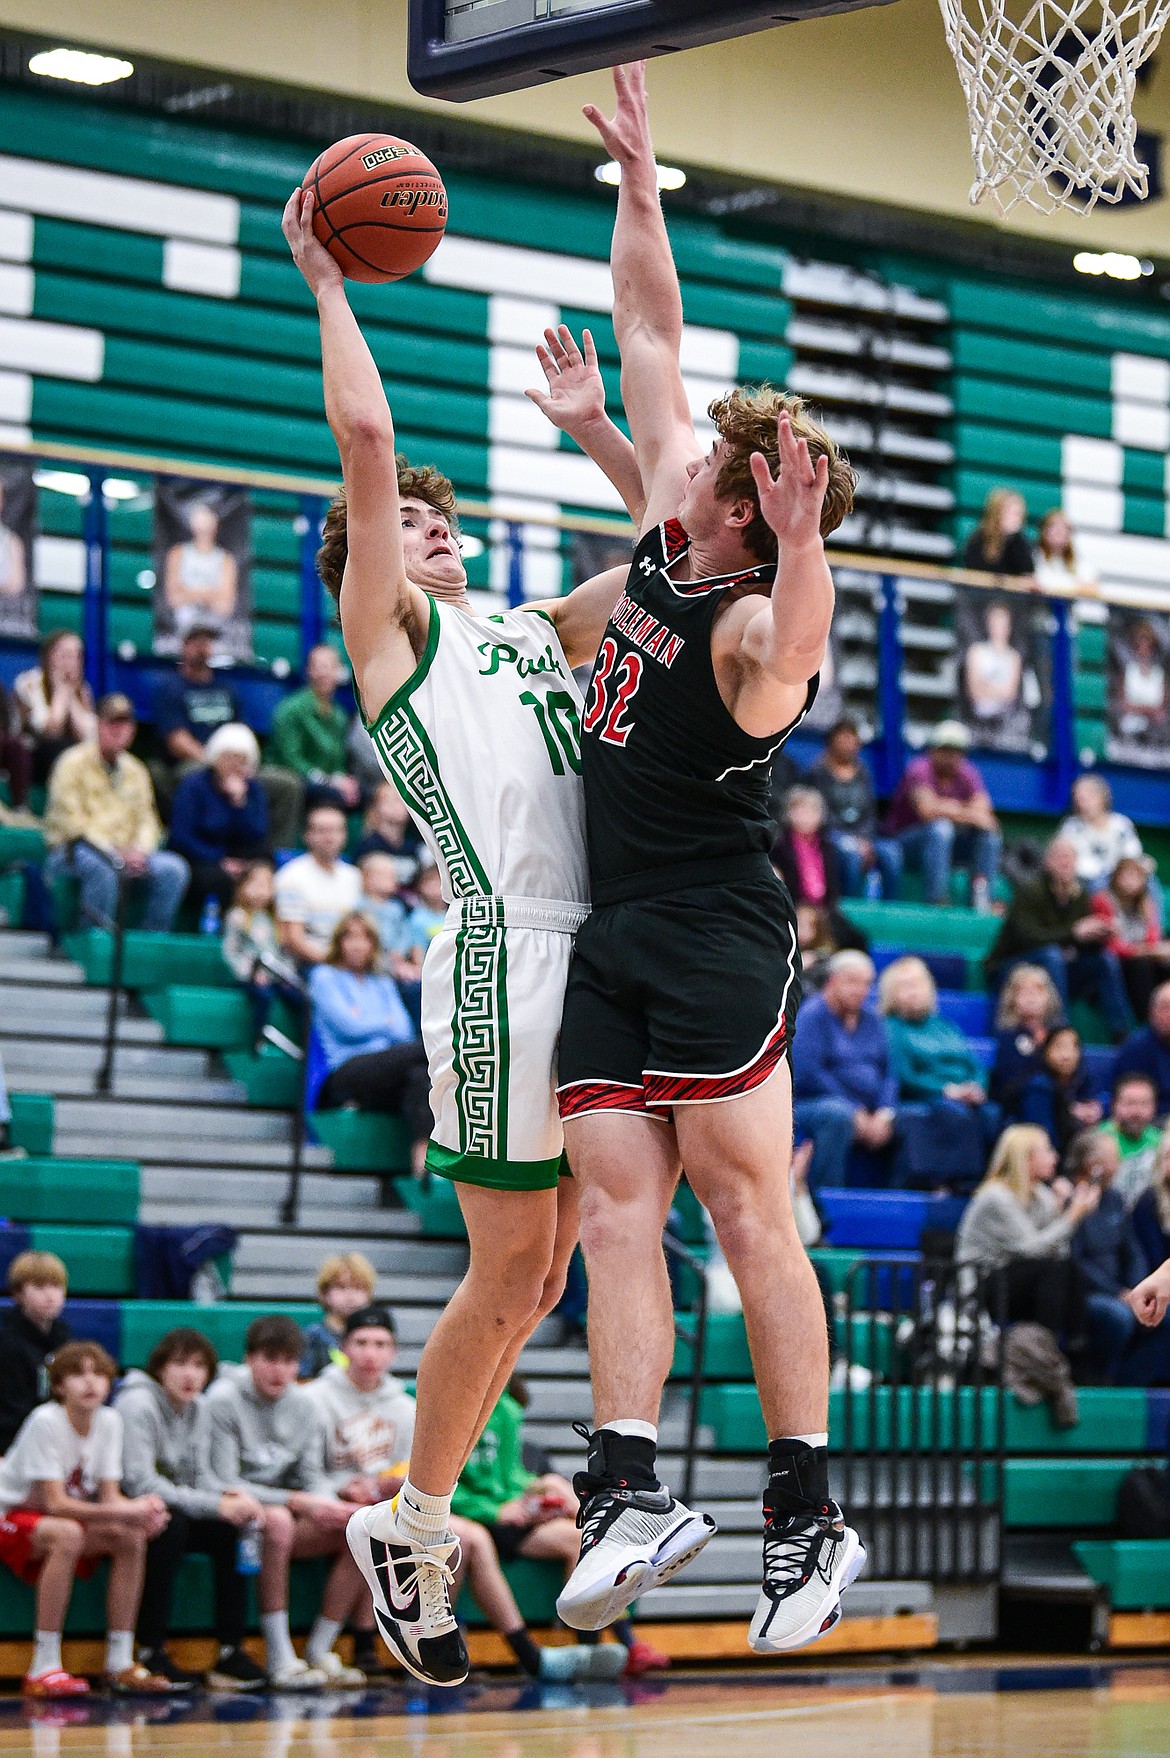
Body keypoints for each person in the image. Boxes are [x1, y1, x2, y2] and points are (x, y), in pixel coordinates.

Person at [283, 179, 656, 1688]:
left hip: (601, 940)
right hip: (508, 952)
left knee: (551, 1273)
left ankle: (421, 1510)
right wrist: (326, 276)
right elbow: (365, 446)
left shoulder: (522, 625)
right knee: (510, 1272)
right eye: (408, 528)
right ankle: (413, 1518)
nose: (429, 531)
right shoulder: (397, 639)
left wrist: (599, 433)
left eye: (440, 520)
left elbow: (674, 562)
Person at [551, 61, 862, 1658]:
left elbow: (790, 657)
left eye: (720, 471)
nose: (684, 456)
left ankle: (807, 1513)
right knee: (615, 1208)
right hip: (616, 924)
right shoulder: (671, 536)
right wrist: (643, 183)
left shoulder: (750, 615)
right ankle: (628, 1487)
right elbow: (651, 335)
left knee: (750, 1218)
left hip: (720, 925)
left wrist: (807, 550)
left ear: (752, 512)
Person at [0, 1341, 173, 1699]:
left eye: (98, 1373)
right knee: (68, 1534)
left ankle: (119, 1661)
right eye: (78, 1374)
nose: (90, 1383)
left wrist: (144, 1510)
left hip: (49, 1521)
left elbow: (110, 1497)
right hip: (9, 1515)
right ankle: (43, 1666)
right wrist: (129, 1510)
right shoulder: (46, 1420)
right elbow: (56, 1504)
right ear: (59, 1386)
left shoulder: (109, 1421)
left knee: (130, 1536)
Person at [205, 1315, 365, 1688]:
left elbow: (312, 1477)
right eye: (270, 1359)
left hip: (288, 1512)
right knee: (277, 1519)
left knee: (361, 1526)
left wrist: (330, 1504)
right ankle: (278, 1655)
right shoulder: (223, 1400)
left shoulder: (306, 1406)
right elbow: (225, 1481)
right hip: (236, 1515)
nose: (280, 1371)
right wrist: (299, 1501)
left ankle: (320, 1649)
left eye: (289, 1361)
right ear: (249, 1359)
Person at [115, 1328, 269, 1690]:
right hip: (128, 1510)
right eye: (180, 1364)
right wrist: (215, 1504)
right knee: (173, 1526)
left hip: (174, 1505)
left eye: (199, 1366)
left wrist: (234, 1496)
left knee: (230, 1529)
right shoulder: (136, 1404)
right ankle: (150, 1650)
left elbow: (201, 1478)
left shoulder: (199, 1407)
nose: (190, 1375)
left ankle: (230, 1651)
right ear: (160, 1368)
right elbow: (140, 1483)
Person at [43, 693, 190, 933]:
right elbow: (71, 823)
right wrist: (112, 852)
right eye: (112, 723)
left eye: (125, 724)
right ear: (98, 725)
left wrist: (141, 851)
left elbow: (148, 820)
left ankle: (147, 944)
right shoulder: (71, 763)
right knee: (102, 868)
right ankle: (91, 942)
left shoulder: (136, 770)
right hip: (73, 851)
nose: (119, 730)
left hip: (127, 853)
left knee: (173, 869)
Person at [152, 624, 301, 845]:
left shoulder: (227, 689)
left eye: (207, 642)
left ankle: (273, 855)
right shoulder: (172, 689)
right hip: (199, 764)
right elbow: (177, 741)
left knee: (288, 784)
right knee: (191, 775)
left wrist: (241, 767)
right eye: (196, 642)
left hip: (237, 765)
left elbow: (243, 734)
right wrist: (216, 764)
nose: (202, 648)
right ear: (184, 646)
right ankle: (201, 849)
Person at [309, 912, 432, 1177]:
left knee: (420, 1076)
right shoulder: (324, 976)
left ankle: (422, 1168)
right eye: (350, 938)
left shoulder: (382, 981)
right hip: (344, 1071)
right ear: (338, 942)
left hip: (388, 1068)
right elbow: (348, 1027)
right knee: (427, 1050)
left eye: (365, 938)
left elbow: (403, 1028)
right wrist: (384, 1022)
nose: (357, 945)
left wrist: (367, 1020)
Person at [955, 1124, 1097, 1350]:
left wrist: (1058, 1212)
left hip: (1020, 1280)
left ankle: (1074, 1346)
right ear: (1026, 1158)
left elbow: (1059, 1251)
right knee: (1052, 1270)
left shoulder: (1041, 1195)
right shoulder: (996, 1198)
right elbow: (1032, 1249)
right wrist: (1072, 1217)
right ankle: (1044, 1350)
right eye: (1048, 1150)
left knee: (1068, 1268)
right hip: (982, 1287)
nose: (1055, 1156)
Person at [988, 836, 1132, 1041]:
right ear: (1047, 862)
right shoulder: (1030, 890)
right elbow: (1027, 938)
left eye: (1070, 857)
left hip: (1058, 970)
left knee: (1104, 959)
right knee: (1052, 955)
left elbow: (1079, 943)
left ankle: (1121, 1032)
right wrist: (1074, 933)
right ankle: (1061, 1029)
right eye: (1060, 856)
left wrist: (1101, 934)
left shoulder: (1080, 895)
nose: (1065, 862)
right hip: (1011, 967)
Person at [877, 955, 1000, 1179]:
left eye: (918, 984)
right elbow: (905, 1076)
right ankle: (959, 1182)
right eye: (905, 987)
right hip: (926, 1097)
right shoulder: (891, 1029)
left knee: (993, 1115)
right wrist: (947, 1090)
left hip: (965, 1096)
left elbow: (974, 1065)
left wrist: (976, 1088)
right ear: (891, 995)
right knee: (953, 1114)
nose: (913, 992)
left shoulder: (946, 1025)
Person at [791, 950, 897, 1189]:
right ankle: (828, 1196)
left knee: (910, 1119)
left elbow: (889, 1074)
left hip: (869, 1110)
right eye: (852, 982)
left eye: (867, 983)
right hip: (813, 1104)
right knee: (836, 1115)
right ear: (832, 981)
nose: (860, 990)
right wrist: (854, 1109)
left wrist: (885, 1111)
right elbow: (808, 1074)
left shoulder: (873, 1019)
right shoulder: (812, 1015)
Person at [883, 722, 1001, 909]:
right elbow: (928, 811)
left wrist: (949, 808)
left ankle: (982, 901)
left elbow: (986, 817)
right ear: (933, 750)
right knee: (941, 828)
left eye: (956, 751)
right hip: (906, 844)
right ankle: (937, 899)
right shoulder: (919, 769)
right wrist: (965, 811)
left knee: (989, 837)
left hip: (949, 846)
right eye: (945, 750)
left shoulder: (968, 773)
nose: (951, 757)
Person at [1065, 1130, 1148, 1384]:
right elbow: (1073, 1260)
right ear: (1094, 1166)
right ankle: (1094, 1379)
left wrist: (1137, 1288)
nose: (1120, 1163)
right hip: (1084, 1293)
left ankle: (1129, 1381)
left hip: (1122, 1290)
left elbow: (1132, 1250)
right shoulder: (1068, 1199)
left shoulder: (1114, 1198)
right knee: (1117, 1316)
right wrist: (1116, 1292)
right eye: (1115, 1158)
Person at [168, 723, 269, 919]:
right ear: (215, 757)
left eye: (242, 761)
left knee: (263, 864)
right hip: (200, 858)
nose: (235, 766)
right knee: (218, 878)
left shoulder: (253, 791)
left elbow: (257, 833)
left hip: (238, 856)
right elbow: (181, 836)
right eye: (229, 758)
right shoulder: (194, 785)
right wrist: (219, 860)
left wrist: (239, 803)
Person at [806, 717, 901, 899]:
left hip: (863, 836)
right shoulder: (817, 772)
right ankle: (847, 906)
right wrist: (853, 841)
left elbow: (870, 813)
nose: (848, 744)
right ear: (831, 742)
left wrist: (863, 839)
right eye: (843, 739)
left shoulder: (864, 772)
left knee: (891, 852)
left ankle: (890, 906)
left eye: (852, 739)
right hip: (831, 834)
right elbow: (821, 814)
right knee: (851, 854)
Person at [222, 860, 304, 1051]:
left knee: (300, 999)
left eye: (267, 885)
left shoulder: (275, 920)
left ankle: (304, 1041)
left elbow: (284, 953)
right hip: (252, 977)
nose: (261, 891)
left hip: (276, 975)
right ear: (242, 887)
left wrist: (287, 975)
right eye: (255, 885)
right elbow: (231, 952)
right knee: (263, 997)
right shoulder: (237, 917)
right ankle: (258, 1038)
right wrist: (251, 974)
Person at [269, 643, 361, 811]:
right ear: (308, 671)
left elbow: (338, 760)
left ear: (339, 671)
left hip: (327, 782)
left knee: (362, 794)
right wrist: (326, 780)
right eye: (318, 667)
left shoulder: (339, 715)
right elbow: (289, 758)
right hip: (295, 779)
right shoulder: (292, 709)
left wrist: (342, 779)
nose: (323, 673)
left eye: (329, 667)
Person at [275, 802, 362, 967]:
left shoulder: (354, 876)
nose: (329, 837)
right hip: (309, 965)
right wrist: (336, 963)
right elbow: (293, 939)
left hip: (350, 963)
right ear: (307, 835)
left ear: (345, 835)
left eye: (336, 830)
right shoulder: (291, 877)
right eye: (322, 831)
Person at [0, 1252, 70, 1455]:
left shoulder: (64, 1336)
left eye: (56, 1287)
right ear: (18, 1294)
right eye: (39, 1287)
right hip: (13, 1442)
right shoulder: (7, 1343)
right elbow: (10, 1409)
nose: (50, 1296)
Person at [12, 630, 97, 786]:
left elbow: (89, 737)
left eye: (76, 656)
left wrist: (71, 695)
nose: (70, 662)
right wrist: (61, 691)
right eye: (65, 655)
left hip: (69, 757)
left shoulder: (83, 690)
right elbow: (50, 730)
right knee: (58, 747)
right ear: (49, 656)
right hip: (34, 756)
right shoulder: (29, 683)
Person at [1090, 856, 1170, 1021]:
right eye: (1125, 875)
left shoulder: (1147, 904)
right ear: (1116, 878)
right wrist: (1145, 950)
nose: (1130, 881)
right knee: (1141, 966)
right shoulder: (1103, 900)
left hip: (1143, 955)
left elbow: (1153, 937)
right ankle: (1149, 1021)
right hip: (1115, 962)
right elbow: (1111, 945)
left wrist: (1155, 950)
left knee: (1164, 964)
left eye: (1135, 876)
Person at [988, 962, 1064, 1113]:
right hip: (1017, 1107)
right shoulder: (1007, 1037)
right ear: (1012, 999)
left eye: (1038, 991)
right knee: (1038, 1085)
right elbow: (1008, 1080)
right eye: (1023, 992)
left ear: (1049, 997)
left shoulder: (1060, 1035)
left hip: (1060, 1107)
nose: (1031, 997)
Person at [1017, 1025, 1103, 1153]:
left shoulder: (1083, 1080)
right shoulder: (1038, 1086)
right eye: (1059, 1047)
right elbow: (1042, 1136)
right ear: (1046, 1051)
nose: (1067, 1055)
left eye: (1073, 1047)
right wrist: (1070, 1112)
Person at [1059, 774, 1149, 896]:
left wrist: (1132, 870)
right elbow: (1076, 864)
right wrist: (1105, 873)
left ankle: (1152, 916)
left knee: (1149, 879)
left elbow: (1133, 854)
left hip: (1119, 876)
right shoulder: (1072, 827)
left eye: (1086, 798)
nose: (1081, 804)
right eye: (1078, 799)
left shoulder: (1121, 824)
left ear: (1102, 798)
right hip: (1088, 880)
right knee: (1098, 883)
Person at [162, 502, 238, 637]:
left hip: (215, 631)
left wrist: (188, 593)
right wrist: (212, 594)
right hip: (183, 630)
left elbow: (225, 606)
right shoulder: (177, 553)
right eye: (199, 517)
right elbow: (174, 599)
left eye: (207, 517)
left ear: (215, 523)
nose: (203, 523)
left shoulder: (226, 559)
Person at [300, 1252, 378, 1381]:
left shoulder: (373, 1336)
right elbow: (302, 1381)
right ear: (324, 1293)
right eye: (342, 1287)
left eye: (358, 1288)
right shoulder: (312, 1336)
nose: (350, 1296)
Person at [963, 601, 1025, 741]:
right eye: (994, 623)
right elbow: (973, 690)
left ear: (1009, 626)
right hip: (977, 722)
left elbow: (1010, 693)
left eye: (1002, 623)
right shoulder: (976, 651)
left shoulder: (1014, 657)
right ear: (988, 624)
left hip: (1006, 725)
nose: (998, 628)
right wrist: (997, 690)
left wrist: (985, 685)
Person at [1103, 1073, 1164, 1211]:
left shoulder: (1162, 1141)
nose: (1136, 1112)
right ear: (1114, 1104)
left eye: (1144, 1104)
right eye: (1129, 1103)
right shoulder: (1098, 1140)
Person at [1113, 981, 1170, 1113]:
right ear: (1152, 1011)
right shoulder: (1136, 1047)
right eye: (1165, 1008)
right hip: (1152, 1120)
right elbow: (1128, 1098)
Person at [353, 780, 422, 882]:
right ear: (376, 807)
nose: (398, 805)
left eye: (402, 800)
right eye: (391, 800)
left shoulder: (413, 844)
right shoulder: (370, 845)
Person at [357, 850, 412, 976]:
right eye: (384, 875)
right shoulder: (360, 906)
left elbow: (405, 933)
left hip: (396, 958)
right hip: (371, 959)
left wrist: (399, 951)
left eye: (393, 875)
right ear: (366, 878)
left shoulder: (397, 908)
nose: (392, 879)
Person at [1115, 619, 1168, 744]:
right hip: (1130, 725)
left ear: (1153, 649)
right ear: (1135, 649)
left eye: (1148, 647)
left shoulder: (1160, 674)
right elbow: (1123, 704)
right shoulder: (1127, 672)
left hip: (1156, 729)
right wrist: (1148, 710)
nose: (1144, 651)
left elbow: (1161, 709)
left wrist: (1140, 709)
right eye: (1140, 647)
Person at [962, 487, 1034, 577]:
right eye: (1012, 513)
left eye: (1019, 514)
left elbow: (1027, 572)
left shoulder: (1020, 542)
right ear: (997, 513)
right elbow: (974, 570)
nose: (1016, 519)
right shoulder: (979, 538)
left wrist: (1015, 538)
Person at [1034, 509, 1093, 592]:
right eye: (1053, 526)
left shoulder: (1076, 559)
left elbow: (1092, 585)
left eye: (1065, 528)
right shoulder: (1035, 554)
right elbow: (1040, 582)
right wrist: (1075, 585)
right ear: (1044, 531)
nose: (1059, 531)